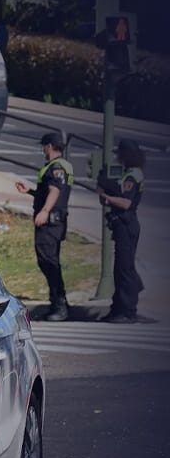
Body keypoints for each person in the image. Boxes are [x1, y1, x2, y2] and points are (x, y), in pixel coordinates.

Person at [15, 132, 74, 321]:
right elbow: (48, 191)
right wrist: (30, 191)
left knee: (49, 262)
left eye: (44, 146)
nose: (43, 150)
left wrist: (45, 211)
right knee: (47, 261)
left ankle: (60, 305)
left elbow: (55, 190)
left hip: (51, 223)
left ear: (49, 146)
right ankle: (57, 303)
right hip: (53, 221)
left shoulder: (56, 167)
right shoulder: (59, 166)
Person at [98, 138, 145, 323]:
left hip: (127, 224)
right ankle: (118, 308)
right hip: (122, 225)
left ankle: (127, 310)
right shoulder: (129, 173)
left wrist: (108, 198)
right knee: (120, 269)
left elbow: (126, 202)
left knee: (125, 269)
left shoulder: (133, 175)